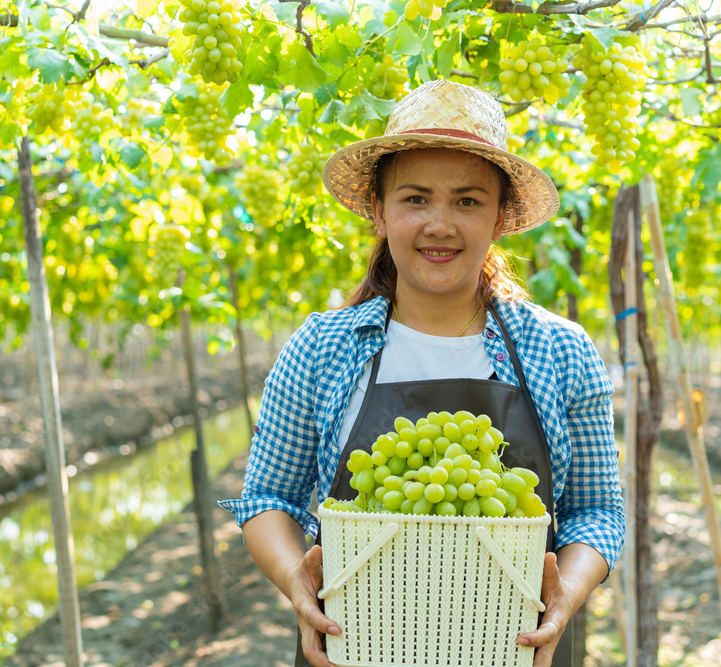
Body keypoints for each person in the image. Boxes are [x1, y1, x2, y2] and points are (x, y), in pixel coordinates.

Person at [219, 79, 624, 667]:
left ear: (501, 218)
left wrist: (568, 596)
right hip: (356, 646)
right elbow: (267, 497)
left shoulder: (561, 349)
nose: (440, 225)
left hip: (510, 648)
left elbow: (597, 510)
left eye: (467, 201)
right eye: (415, 199)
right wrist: (294, 580)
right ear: (379, 212)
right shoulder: (321, 347)